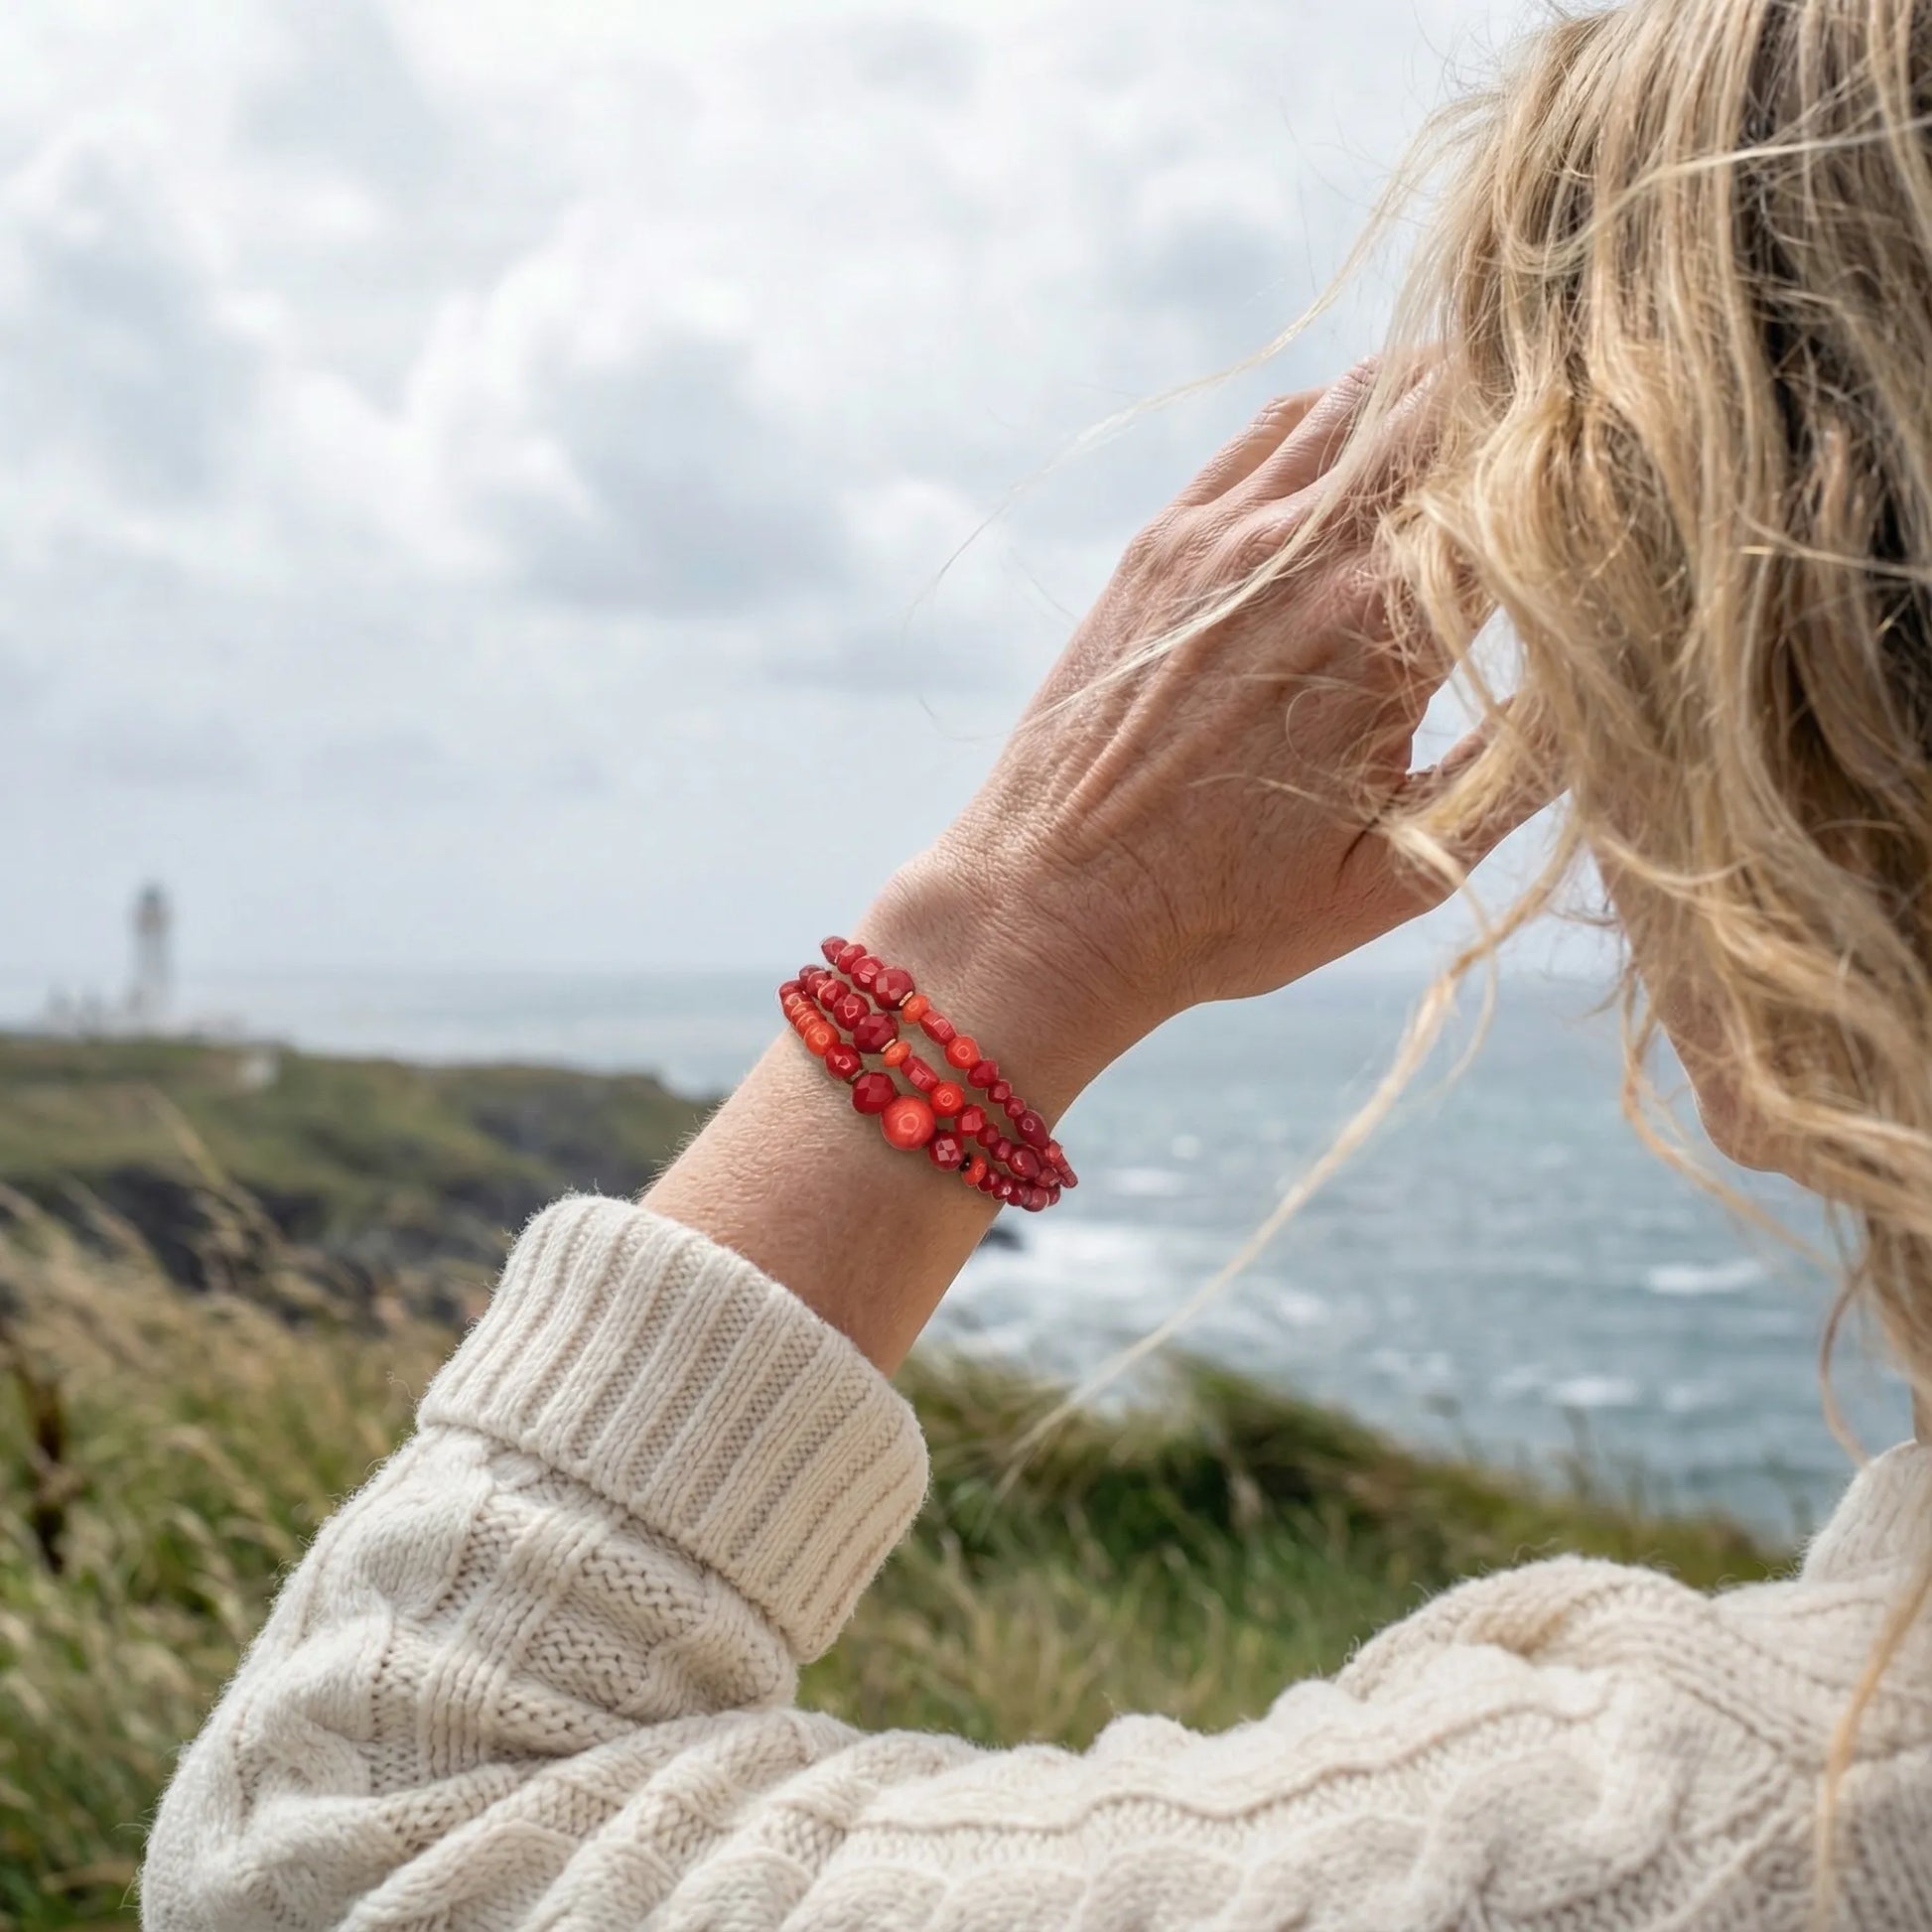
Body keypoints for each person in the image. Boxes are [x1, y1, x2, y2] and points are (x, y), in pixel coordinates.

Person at [141, 0, 1932, 1924]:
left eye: (1609, 624)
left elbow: (337, 1836)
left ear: (1788, 738)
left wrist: (1017, 919)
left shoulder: (1726, 1844)